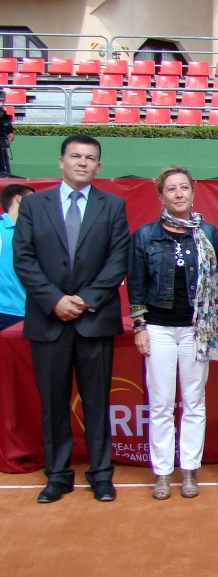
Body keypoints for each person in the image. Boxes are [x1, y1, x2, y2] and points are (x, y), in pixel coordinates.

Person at [12, 134, 129, 503]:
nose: (82, 162)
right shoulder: (34, 205)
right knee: (53, 402)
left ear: (99, 166)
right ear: (60, 161)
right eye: (75, 156)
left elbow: (116, 261)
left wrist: (85, 300)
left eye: (90, 157)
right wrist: (54, 301)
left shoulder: (113, 206)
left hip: (94, 320)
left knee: (97, 402)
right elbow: (24, 259)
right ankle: (58, 475)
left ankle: (101, 474)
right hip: (49, 320)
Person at [127, 166, 218, 500]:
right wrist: (139, 326)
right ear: (161, 196)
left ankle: (190, 471)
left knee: (194, 402)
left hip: (197, 330)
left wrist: (217, 320)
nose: (179, 194)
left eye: (184, 187)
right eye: (171, 189)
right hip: (158, 329)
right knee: (161, 404)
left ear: (193, 192)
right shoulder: (144, 236)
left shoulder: (209, 233)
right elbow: (137, 285)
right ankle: (163, 473)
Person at [0, 183, 32, 331]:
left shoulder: (34, 233)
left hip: (29, 312)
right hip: (5, 312)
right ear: (19, 199)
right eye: (33, 198)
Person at [0, 92, 13, 176]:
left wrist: (10, 135)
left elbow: (9, 131)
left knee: (4, 173)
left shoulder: (2, 111)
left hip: (1, 144)